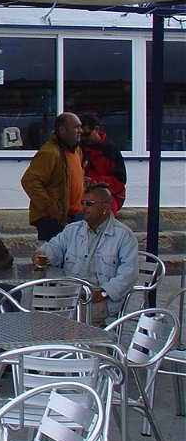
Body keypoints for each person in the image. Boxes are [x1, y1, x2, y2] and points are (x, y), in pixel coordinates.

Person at [34, 182, 138, 324]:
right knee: (36, 306)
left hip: (100, 299)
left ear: (105, 207)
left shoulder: (124, 235)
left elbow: (128, 275)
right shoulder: (72, 229)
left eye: (89, 204)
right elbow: (54, 248)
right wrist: (43, 254)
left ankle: (76, 337)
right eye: (82, 203)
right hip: (70, 294)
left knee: (64, 317)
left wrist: (102, 293)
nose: (84, 207)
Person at [21, 112, 85, 241]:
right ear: (62, 130)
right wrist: (49, 205)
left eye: (80, 126)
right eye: (76, 127)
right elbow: (29, 181)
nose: (81, 131)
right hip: (54, 219)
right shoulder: (49, 152)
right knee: (53, 253)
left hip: (76, 215)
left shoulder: (77, 150)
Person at [79, 113, 127, 215]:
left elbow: (120, 179)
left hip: (107, 195)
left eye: (86, 134)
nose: (83, 138)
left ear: (96, 129)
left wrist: (94, 182)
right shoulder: (77, 149)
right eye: (80, 135)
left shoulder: (111, 150)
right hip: (82, 195)